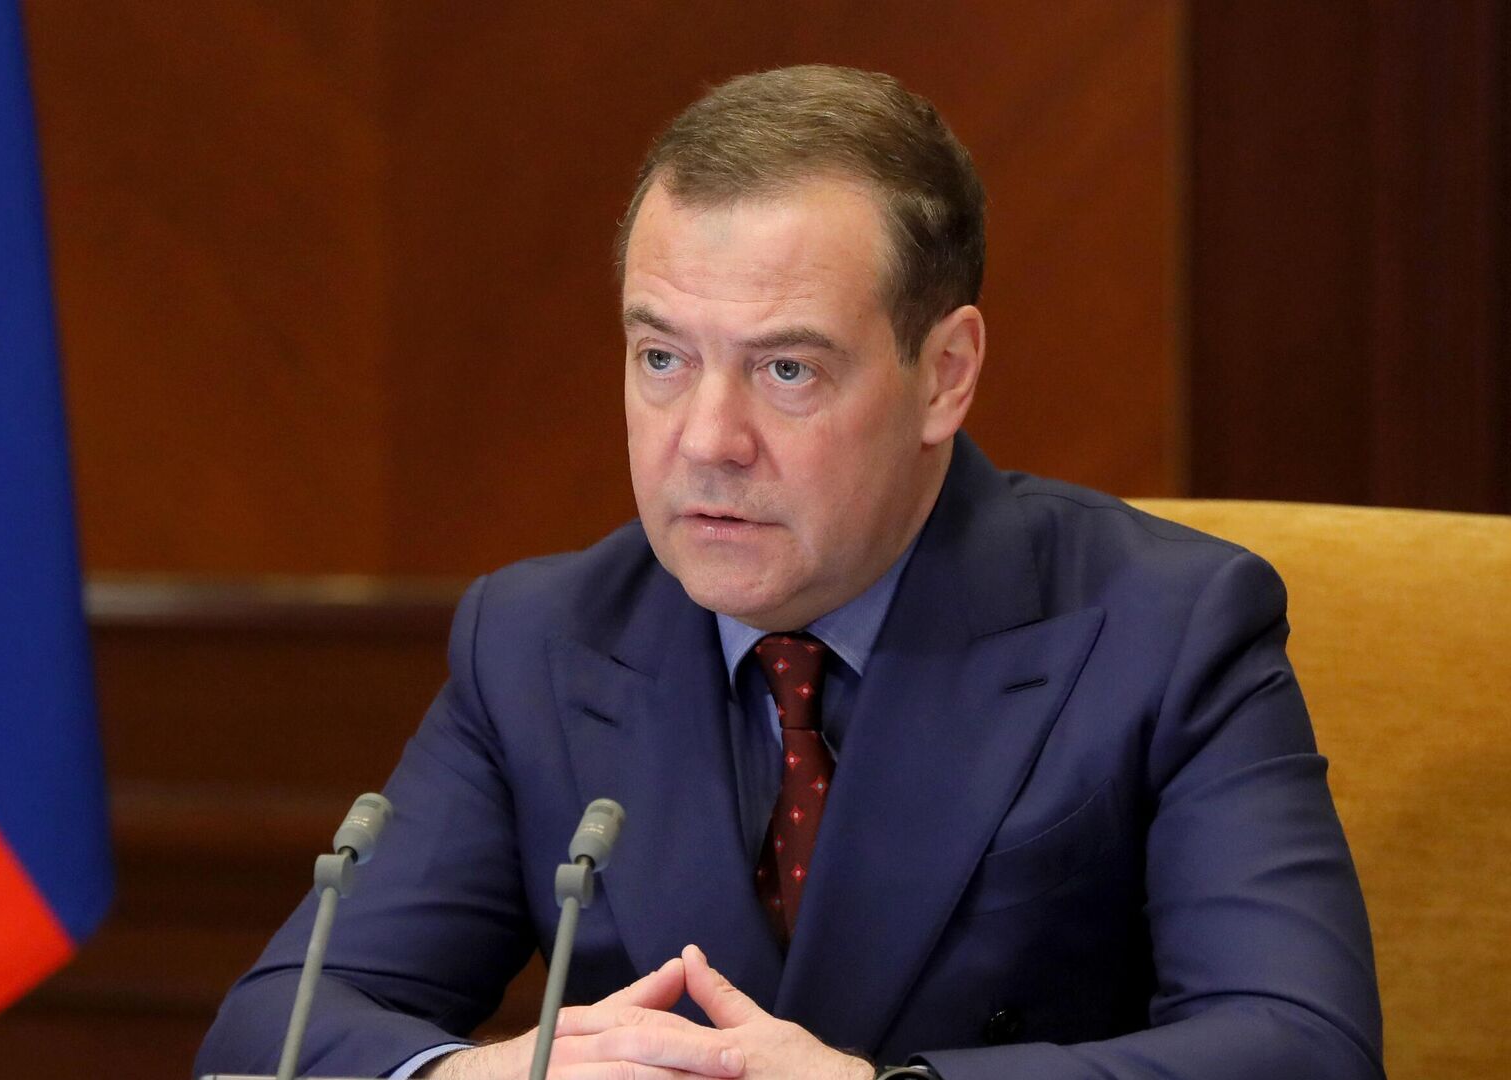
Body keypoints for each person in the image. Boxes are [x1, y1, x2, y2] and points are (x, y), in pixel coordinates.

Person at [195, 65, 1383, 1080]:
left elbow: (1303, 1047)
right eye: (663, 357)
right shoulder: (538, 639)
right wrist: (473, 1074)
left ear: (946, 374)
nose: (707, 440)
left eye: (787, 371)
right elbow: (272, 1029)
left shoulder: (1166, 626)